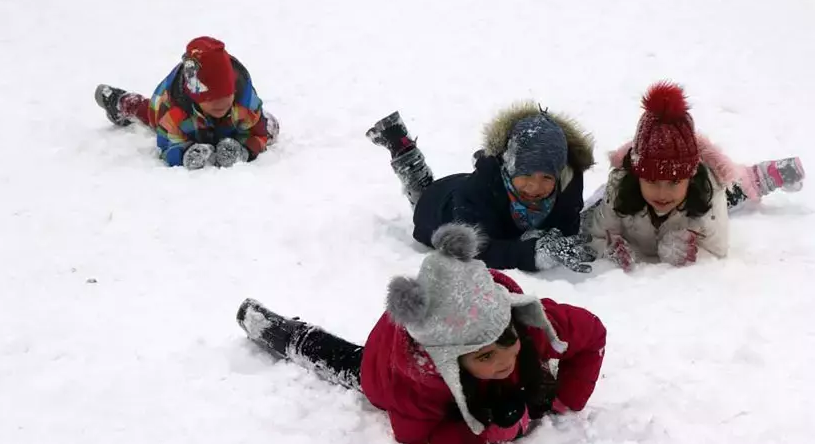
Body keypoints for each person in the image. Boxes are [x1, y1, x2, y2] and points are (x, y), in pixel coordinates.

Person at [237, 223, 607, 444]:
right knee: (347, 362)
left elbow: (593, 336)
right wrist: (491, 431)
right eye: (484, 356)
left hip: (443, 321)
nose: (503, 360)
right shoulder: (416, 382)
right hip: (386, 364)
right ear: (450, 363)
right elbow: (419, 438)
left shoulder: (527, 320)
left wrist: (566, 399)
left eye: (506, 341)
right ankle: (280, 332)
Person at [583, 81, 805, 271]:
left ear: (690, 176)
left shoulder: (708, 192)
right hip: (637, 194)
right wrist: (610, 250)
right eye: (651, 181)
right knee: (596, 206)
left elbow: (717, 250)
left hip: (697, 198)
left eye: (673, 181)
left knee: (733, 191)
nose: (662, 193)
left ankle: (758, 177)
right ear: (637, 175)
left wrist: (688, 251)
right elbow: (595, 236)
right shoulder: (620, 189)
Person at [365, 103, 597, 273]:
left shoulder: (568, 183)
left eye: (547, 176)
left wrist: (553, 238)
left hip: (480, 191)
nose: (535, 187)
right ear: (509, 167)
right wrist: (532, 254)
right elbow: (476, 250)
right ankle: (403, 149)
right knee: (421, 192)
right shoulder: (476, 193)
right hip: (440, 207)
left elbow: (567, 225)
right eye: (525, 174)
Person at [94, 36, 280, 169]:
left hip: (230, 123)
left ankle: (260, 121)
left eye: (226, 96)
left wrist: (244, 150)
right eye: (212, 99)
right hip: (179, 117)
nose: (221, 103)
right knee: (150, 114)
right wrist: (185, 154)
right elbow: (167, 146)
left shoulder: (244, 104)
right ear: (196, 96)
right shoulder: (174, 112)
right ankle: (121, 102)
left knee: (268, 128)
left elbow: (259, 134)